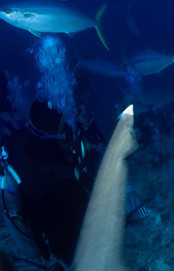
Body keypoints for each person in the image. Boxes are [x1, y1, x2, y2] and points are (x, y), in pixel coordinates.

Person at [1, 101, 100, 270]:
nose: (73, 134)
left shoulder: (22, 143)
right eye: (66, 130)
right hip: (65, 241)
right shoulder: (51, 186)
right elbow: (74, 250)